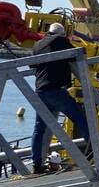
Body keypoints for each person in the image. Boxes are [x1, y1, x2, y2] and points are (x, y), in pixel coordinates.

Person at [31, 23, 90, 173]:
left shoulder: (37, 44)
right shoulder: (61, 41)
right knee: (81, 120)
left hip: (40, 93)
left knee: (39, 129)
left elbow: (32, 64)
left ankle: (37, 164)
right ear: (62, 34)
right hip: (57, 92)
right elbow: (79, 54)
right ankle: (94, 153)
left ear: (48, 32)